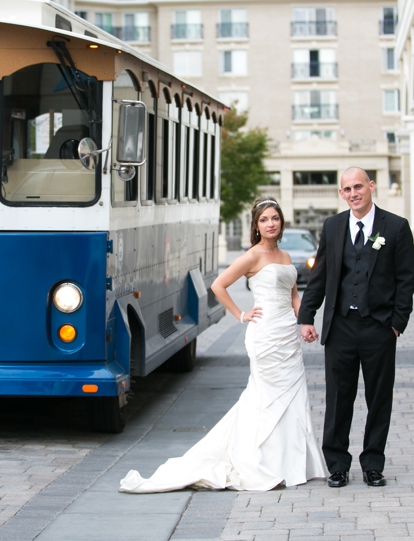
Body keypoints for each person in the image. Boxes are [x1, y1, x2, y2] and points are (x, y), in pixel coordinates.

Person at [119, 197, 327, 493]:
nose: (271, 223)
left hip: (287, 336)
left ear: (281, 222)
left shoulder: (284, 256)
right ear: (256, 226)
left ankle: (293, 463)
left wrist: (305, 321)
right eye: (264, 219)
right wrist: (241, 314)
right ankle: (259, 460)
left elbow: (294, 296)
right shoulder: (252, 256)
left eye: (275, 218)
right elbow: (218, 285)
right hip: (265, 335)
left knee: (293, 395)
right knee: (266, 397)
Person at [298, 167, 414, 488]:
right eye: (347, 189)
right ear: (341, 193)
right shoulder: (333, 226)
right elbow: (319, 276)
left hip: (379, 328)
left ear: (371, 186)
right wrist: (307, 316)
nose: (353, 193)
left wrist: (396, 324)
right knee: (338, 398)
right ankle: (337, 465)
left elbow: (406, 279)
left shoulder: (396, 227)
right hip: (340, 328)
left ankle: (373, 464)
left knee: (379, 398)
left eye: (358, 187)